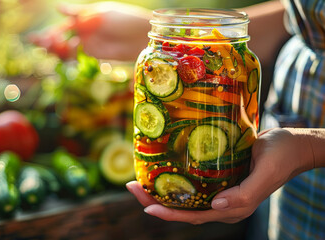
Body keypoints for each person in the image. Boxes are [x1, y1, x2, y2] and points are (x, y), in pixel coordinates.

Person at [32, 0, 325, 239]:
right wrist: (158, 33)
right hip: (289, 171)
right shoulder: (152, 59)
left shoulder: (244, 63)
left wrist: (309, 149)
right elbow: (302, 18)